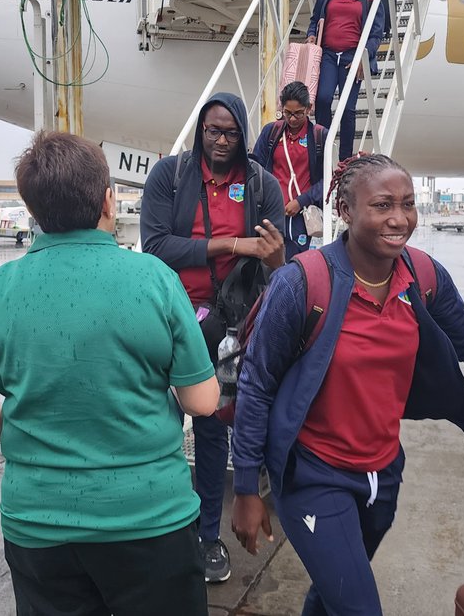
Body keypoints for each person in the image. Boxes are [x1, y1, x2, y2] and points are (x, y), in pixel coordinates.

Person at [229, 154, 464, 615]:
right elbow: (256, 386)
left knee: (333, 591)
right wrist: (246, 489)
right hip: (314, 475)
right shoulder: (303, 283)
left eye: (407, 204)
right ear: (345, 210)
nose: (399, 218)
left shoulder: (423, 276)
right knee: (359, 607)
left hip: (383, 475)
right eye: (382, 205)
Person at [0, 132, 219, 616]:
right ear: (108, 201)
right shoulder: (155, 280)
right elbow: (203, 402)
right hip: (149, 520)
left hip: (39, 527)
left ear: (31, 209)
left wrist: (34, 420)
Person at [140, 91, 286, 585]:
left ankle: (207, 537)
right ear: (200, 131)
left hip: (229, 327)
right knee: (156, 424)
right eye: (212, 131)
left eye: (230, 133)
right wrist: (229, 243)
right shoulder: (171, 176)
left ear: (244, 135)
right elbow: (156, 245)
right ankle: (154, 531)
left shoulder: (262, 184)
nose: (220, 141)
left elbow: (275, 262)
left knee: (210, 428)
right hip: (171, 318)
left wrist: (271, 256)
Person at [307, 0, 387, 161]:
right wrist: (312, 36)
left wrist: (364, 55)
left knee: (348, 110)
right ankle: (322, 148)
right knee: (323, 99)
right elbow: (315, 21)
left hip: (353, 58)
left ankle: (344, 160)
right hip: (329, 56)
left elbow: (376, 34)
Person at [252, 82, 330, 260]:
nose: (292, 119)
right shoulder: (271, 132)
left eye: (298, 113)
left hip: (302, 218)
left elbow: (328, 179)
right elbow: (254, 167)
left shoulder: (320, 136)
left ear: (309, 108)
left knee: (299, 266)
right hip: (272, 212)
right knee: (269, 266)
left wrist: (301, 201)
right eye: (288, 113)